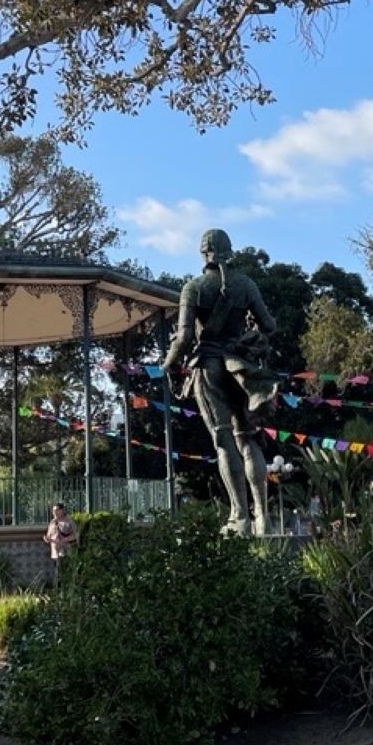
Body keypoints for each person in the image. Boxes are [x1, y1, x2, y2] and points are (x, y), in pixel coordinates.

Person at [163, 228, 279, 536]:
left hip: (209, 366)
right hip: (241, 368)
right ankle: (263, 518)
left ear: (203, 253)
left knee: (224, 439)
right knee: (249, 438)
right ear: (230, 251)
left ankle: (239, 517)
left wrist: (168, 363)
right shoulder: (246, 284)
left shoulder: (194, 287)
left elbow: (185, 337)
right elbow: (268, 325)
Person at [44, 502, 79, 584]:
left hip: (66, 552)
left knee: (65, 573)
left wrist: (65, 539)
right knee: (57, 574)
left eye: (57, 510)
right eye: (53, 510)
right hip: (55, 553)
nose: (55, 512)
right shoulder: (52, 522)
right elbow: (49, 535)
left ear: (62, 510)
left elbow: (76, 535)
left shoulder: (68, 521)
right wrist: (47, 539)